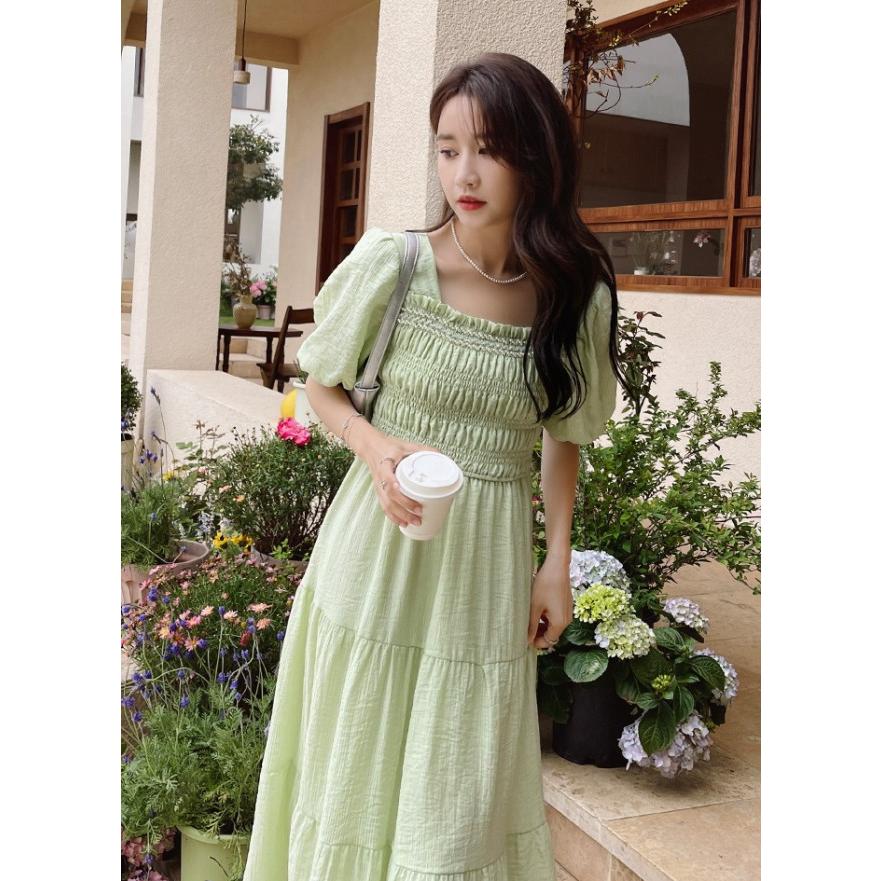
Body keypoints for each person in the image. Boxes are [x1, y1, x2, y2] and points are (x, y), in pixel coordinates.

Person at [242, 51, 627, 881]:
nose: (464, 173)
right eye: (447, 149)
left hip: (485, 564)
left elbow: (563, 436)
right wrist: (375, 446)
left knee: (457, 787)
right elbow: (320, 384)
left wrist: (555, 562)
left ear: (536, 156)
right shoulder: (395, 263)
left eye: (488, 149)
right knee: (352, 763)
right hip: (376, 544)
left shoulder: (574, 296)